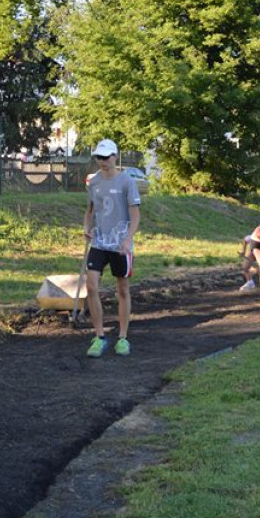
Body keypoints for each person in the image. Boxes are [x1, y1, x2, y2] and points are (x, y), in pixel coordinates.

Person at [84, 139, 141, 358]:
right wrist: (86, 227)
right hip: (99, 242)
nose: (102, 161)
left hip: (120, 244)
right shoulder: (94, 182)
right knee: (91, 286)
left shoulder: (127, 181)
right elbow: (89, 210)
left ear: (115, 156)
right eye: (99, 157)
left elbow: (135, 214)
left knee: (123, 289)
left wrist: (127, 240)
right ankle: (99, 337)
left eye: (106, 157)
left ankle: (123, 337)